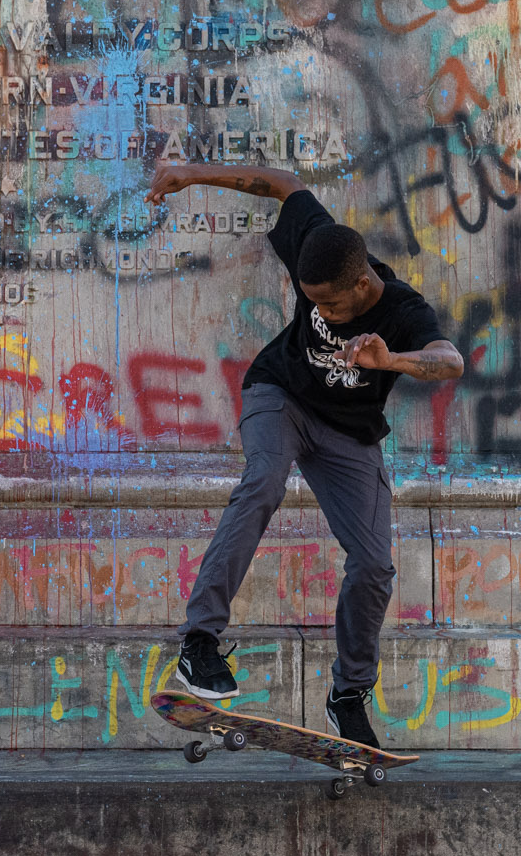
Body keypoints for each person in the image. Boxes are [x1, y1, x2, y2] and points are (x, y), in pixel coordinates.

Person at [148, 163, 464, 748]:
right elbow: (284, 183)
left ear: (363, 287)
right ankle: (199, 643)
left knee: (373, 567)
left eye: (330, 307)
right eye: (310, 299)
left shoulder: (401, 309)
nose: (319, 311)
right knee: (263, 481)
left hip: (350, 433)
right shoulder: (319, 245)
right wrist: (191, 174)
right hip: (280, 395)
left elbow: (449, 360)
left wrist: (391, 360)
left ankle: (348, 696)